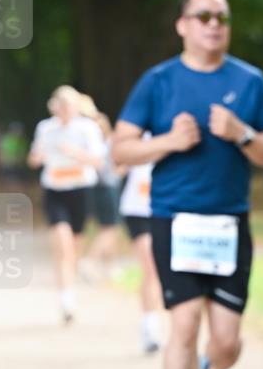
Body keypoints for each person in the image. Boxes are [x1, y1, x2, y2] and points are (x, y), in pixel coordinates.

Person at [112, 0, 263, 369]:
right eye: (204, 16)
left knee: (227, 341)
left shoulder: (250, 81)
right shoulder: (158, 81)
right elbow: (120, 149)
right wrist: (166, 141)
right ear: (182, 25)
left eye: (222, 18)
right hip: (174, 219)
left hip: (229, 223)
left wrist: (242, 132)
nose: (214, 25)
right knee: (184, 326)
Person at [27, 85, 105, 323]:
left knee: (74, 247)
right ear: (54, 107)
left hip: (81, 190)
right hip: (55, 190)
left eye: (68, 107)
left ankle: (72, 282)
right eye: (60, 107)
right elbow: (33, 159)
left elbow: (99, 162)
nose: (64, 111)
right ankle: (66, 299)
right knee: (62, 246)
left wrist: (75, 153)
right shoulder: (45, 128)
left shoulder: (87, 128)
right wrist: (39, 157)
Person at [118, 154, 163, 354]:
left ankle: (155, 319)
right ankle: (150, 325)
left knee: (160, 270)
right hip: (137, 209)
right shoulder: (136, 129)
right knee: (151, 266)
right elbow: (115, 166)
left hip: (167, 208)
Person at [78, 95, 123, 282]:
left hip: (97, 186)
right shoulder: (101, 139)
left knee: (107, 227)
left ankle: (109, 266)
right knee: (110, 229)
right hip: (106, 186)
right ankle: (90, 261)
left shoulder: (87, 136)